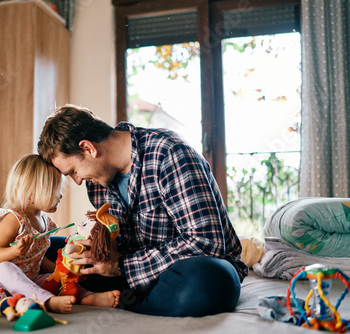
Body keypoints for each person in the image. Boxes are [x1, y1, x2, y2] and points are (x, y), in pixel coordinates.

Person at [37, 104, 249, 317]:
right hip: (135, 270)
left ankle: (124, 302)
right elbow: (117, 242)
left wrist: (121, 266)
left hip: (189, 268)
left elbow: (206, 243)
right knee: (44, 249)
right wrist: (99, 249)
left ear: (88, 148)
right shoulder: (97, 182)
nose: (78, 180)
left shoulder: (170, 153)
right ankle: (132, 298)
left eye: (73, 171)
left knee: (203, 282)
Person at [0, 154, 120, 314]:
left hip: (28, 280)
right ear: (30, 193)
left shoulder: (46, 223)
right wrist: (14, 252)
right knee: (6, 268)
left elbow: (37, 258)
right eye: (55, 190)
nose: (61, 195)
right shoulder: (13, 219)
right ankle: (47, 301)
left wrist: (59, 270)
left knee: (57, 279)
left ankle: (86, 297)